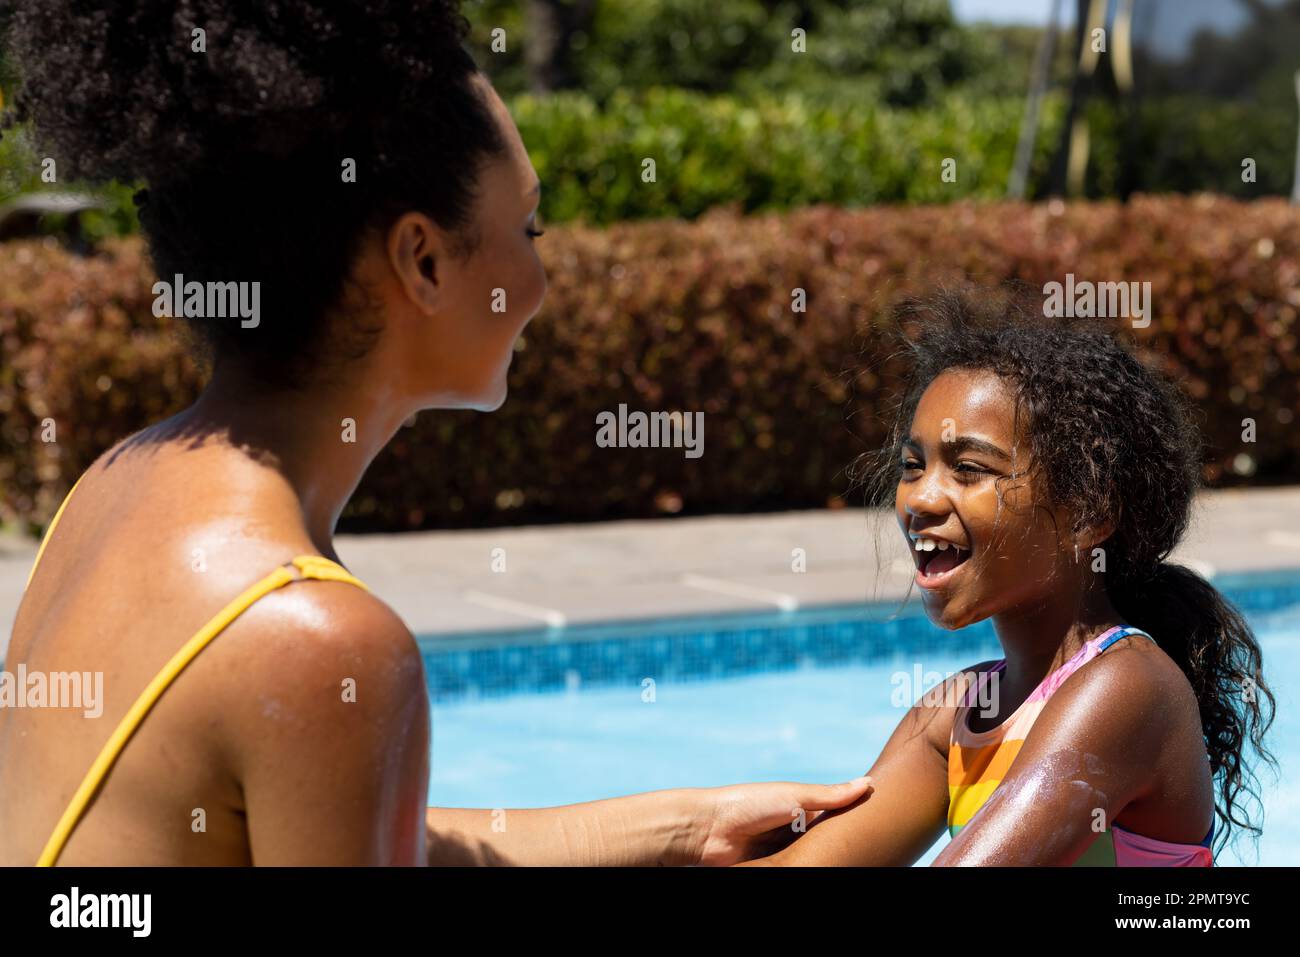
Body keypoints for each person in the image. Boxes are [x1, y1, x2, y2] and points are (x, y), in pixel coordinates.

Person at [0, 1, 872, 866]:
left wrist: (688, 829)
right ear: (422, 260)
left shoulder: (114, 486)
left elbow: (340, 830)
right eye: (527, 228)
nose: (540, 276)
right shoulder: (317, 637)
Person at [742, 289, 1275, 866]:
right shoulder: (954, 713)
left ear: (1090, 512)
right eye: (911, 466)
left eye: (969, 469)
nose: (920, 498)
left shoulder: (1126, 689)